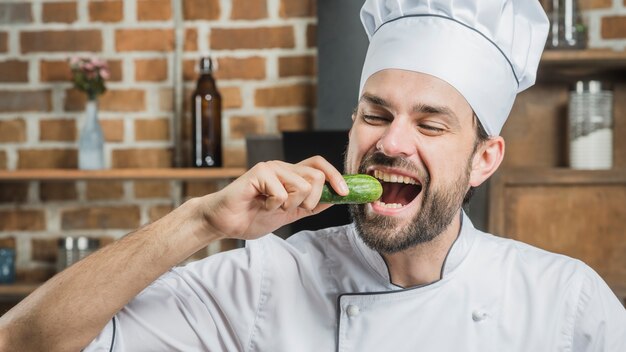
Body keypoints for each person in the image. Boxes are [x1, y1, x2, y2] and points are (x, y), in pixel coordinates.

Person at [1, 0, 625, 350]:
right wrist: (202, 219)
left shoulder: (563, 301)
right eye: (375, 115)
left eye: (431, 125)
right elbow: (25, 342)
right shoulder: (263, 279)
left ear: (484, 159)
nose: (391, 142)